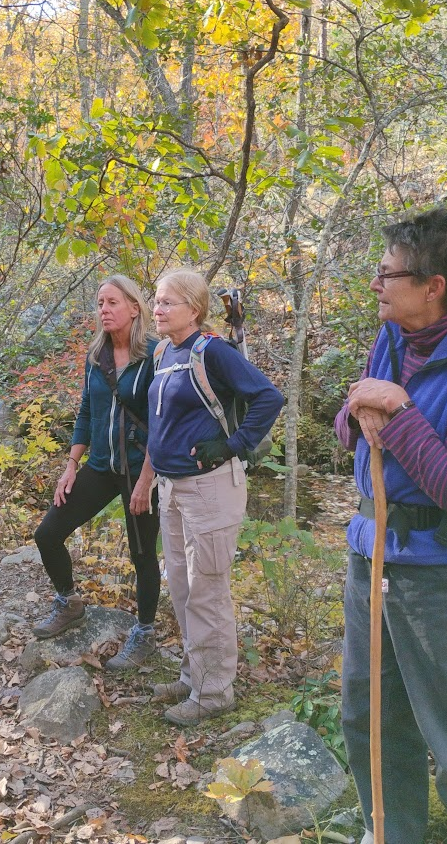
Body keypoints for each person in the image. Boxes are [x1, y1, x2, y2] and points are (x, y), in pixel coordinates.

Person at [334, 206, 447, 843]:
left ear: (433, 286)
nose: (377, 285)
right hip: (373, 551)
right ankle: (389, 832)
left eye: (387, 274)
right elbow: (352, 416)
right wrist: (362, 411)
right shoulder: (394, 334)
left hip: (445, 571)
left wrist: (400, 409)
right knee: (369, 714)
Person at [147, 269, 283, 726]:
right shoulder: (165, 352)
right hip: (172, 488)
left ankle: (214, 692)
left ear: (195, 309)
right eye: (156, 300)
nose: (157, 309)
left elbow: (269, 397)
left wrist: (233, 444)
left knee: (207, 591)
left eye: (167, 302)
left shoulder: (213, 352)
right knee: (184, 588)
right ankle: (193, 676)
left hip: (210, 490)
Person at [31, 276, 161, 670]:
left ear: (134, 308)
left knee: (142, 555)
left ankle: (144, 632)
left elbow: (162, 421)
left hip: (142, 470)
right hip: (101, 466)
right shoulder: (96, 356)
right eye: (100, 303)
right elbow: (87, 413)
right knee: (47, 533)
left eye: (112, 303)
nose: (103, 309)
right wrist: (71, 465)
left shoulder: (156, 356)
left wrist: (146, 481)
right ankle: (69, 602)